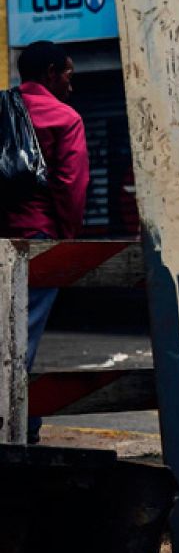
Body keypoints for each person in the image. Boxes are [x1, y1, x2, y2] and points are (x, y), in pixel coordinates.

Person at [2, 42, 87, 442]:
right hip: (36, 237)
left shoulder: (3, 108)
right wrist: (65, 241)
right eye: (68, 74)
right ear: (51, 73)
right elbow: (70, 186)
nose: (71, 83)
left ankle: (27, 422)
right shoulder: (64, 117)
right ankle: (15, 429)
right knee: (22, 335)